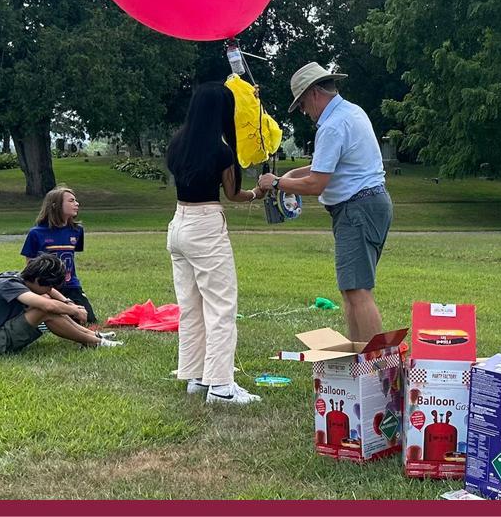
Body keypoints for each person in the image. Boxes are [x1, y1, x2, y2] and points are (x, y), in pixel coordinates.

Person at [258, 62, 393, 343]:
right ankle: (359, 361)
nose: (305, 112)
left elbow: (317, 183)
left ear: (315, 92)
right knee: (352, 291)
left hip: (356, 209)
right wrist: (294, 173)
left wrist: (277, 182)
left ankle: (374, 370)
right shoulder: (352, 113)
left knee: (358, 292)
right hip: (369, 205)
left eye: (304, 103)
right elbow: (330, 166)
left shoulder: (332, 126)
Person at [166, 81, 266, 405]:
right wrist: (257, 194)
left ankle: (196, 376)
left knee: (191, 306)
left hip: (177, 225)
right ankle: (222, 386)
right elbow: (234, 193)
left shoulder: (177, 143)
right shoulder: (221, 150)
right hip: (205, 226)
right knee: (222, 307)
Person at [0, 253, 123, 354]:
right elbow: (47, 306)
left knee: (48, 304)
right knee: (44, 310)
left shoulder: (19, 277)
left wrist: (67, 302)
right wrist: (75, 310)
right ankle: (94, 342)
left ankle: (93, 336)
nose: (50, 289)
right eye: (48, 284)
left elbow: (49, 294)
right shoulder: (9, 285)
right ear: (37, 279)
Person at [22, 186, 98, 325]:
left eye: (76, 200)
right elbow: (29, 266)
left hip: (71, 285)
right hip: (47, 286)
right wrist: (40, 291)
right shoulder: (36, 233)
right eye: (71, 201)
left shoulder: (77, 231)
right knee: (53, 314)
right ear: (55, 205)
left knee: (88, 319)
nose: (77, 204)